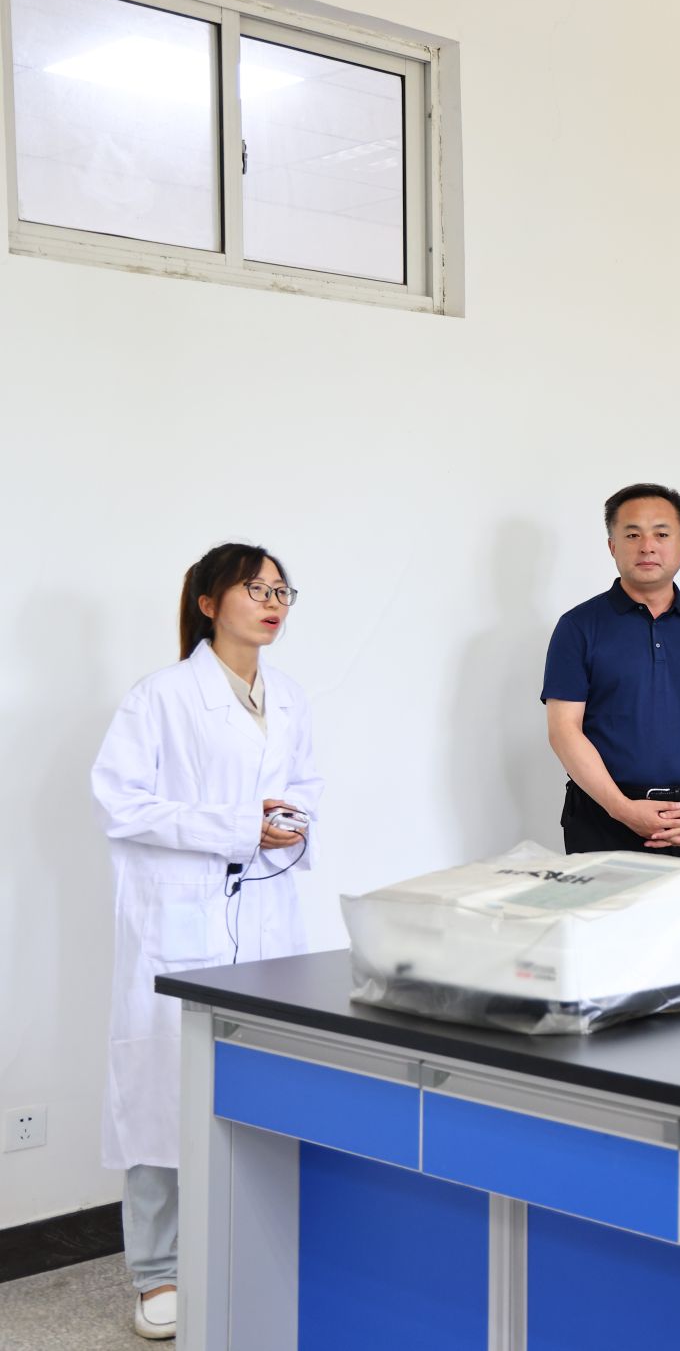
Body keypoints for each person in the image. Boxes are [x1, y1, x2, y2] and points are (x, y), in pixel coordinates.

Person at [90, 544, 324, 1342]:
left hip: (265, 911)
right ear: (208, 602)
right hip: (180, 917)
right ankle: (157, 1271)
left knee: (262, 1077)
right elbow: (119, 803)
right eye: (256, 589)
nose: (273, 603)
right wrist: (234, 826)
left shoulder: (287, 698)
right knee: (161, 1085)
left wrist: (288, 823)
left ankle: (246, 1247)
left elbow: (305, 788)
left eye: (282, 590)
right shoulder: (160, 697)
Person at [543, 483, 680, 863]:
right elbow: (563, 730)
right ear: (612, 546)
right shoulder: (578, 627)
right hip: (602, 820)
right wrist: (622, 809)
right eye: (632, 534)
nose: (647, 546)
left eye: (661, 534)